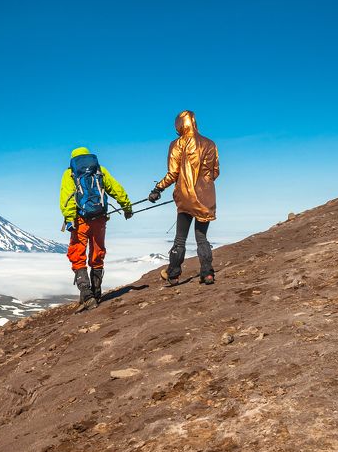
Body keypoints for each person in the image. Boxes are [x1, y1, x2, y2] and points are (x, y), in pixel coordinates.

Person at [149, 110, 220, 285]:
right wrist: (203, 185)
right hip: (206, 197)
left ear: (180, 125)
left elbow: (173, 173)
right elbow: (215, 172)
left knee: (180, 238)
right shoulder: (210, 144)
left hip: (185, 197)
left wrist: (158, 188)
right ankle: (207, 273)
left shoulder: (177, 144)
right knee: (201, 237)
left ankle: (173, 273)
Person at [60, 147, 133, 312]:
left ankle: (86, 295)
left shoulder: (70, 173)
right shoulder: (100, 170)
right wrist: (126, 206)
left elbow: (67, 197)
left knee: (77, 254)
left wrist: (70, 217)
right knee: (97, 252)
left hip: (80, 220)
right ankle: (97, 292)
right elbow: (116, 189)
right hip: (99, 218)